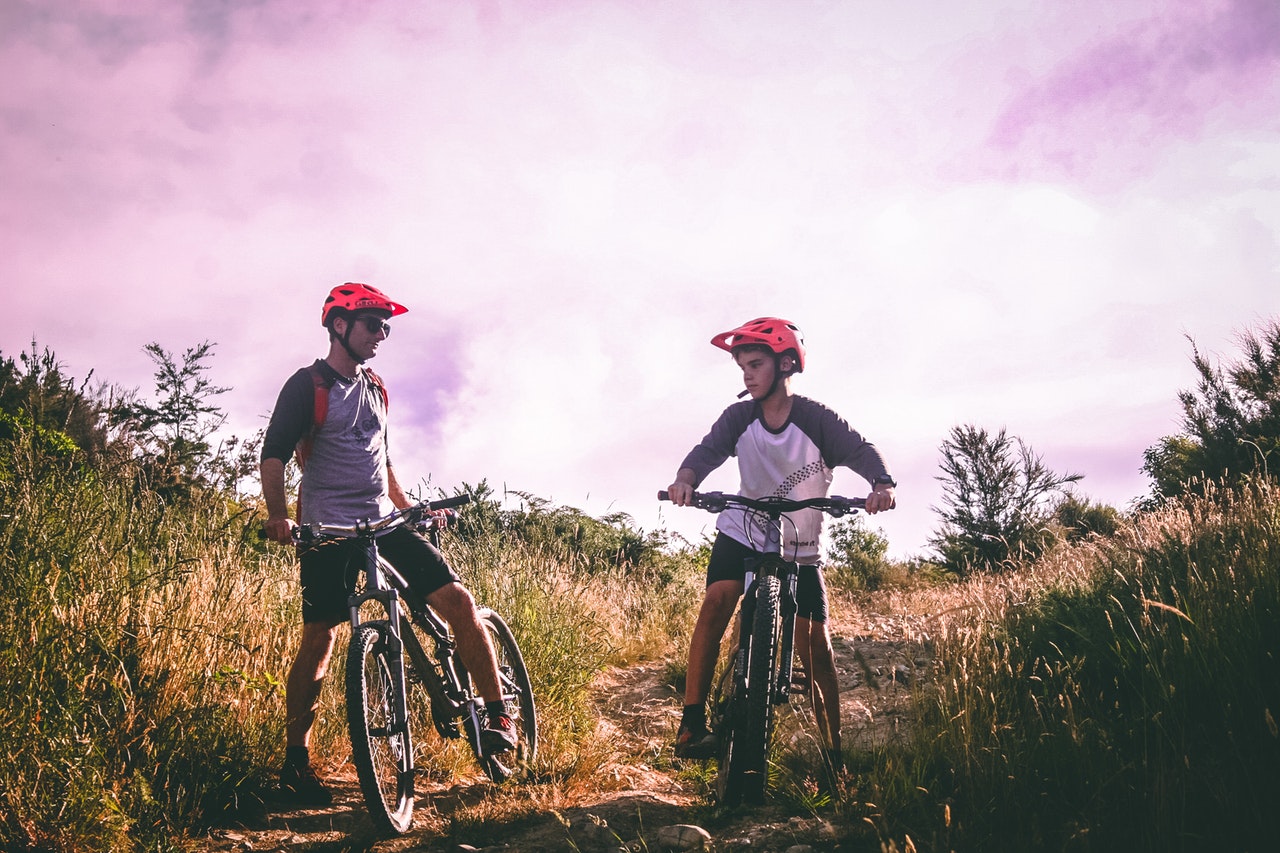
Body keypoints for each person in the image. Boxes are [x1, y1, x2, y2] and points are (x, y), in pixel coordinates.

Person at [260, 282, 517, 805]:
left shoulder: (375, 386)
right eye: (373, 324)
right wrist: (279, 517)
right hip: (328, 530)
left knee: (459, 604)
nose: (382, 334)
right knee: (320, 638)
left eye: (386, 325)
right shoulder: (306, 386)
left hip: (384, 523)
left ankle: (498, 717)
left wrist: (406, 508)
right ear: (339, 326)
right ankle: (296, 763)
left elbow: (381, 458)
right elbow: (274, 455)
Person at [665, 317, 896, 773]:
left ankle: (833, 755)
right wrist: (684, 481)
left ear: (786, 362)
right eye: (742, 367)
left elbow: (862, 451)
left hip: (799, 539)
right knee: (717, 599)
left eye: (755, 364)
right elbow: (706, 452)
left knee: (816, 646)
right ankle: (692, 722)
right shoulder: (739, 417)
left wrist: (882, 484)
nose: (747, 375)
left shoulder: (816, 419)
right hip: (744, 525)